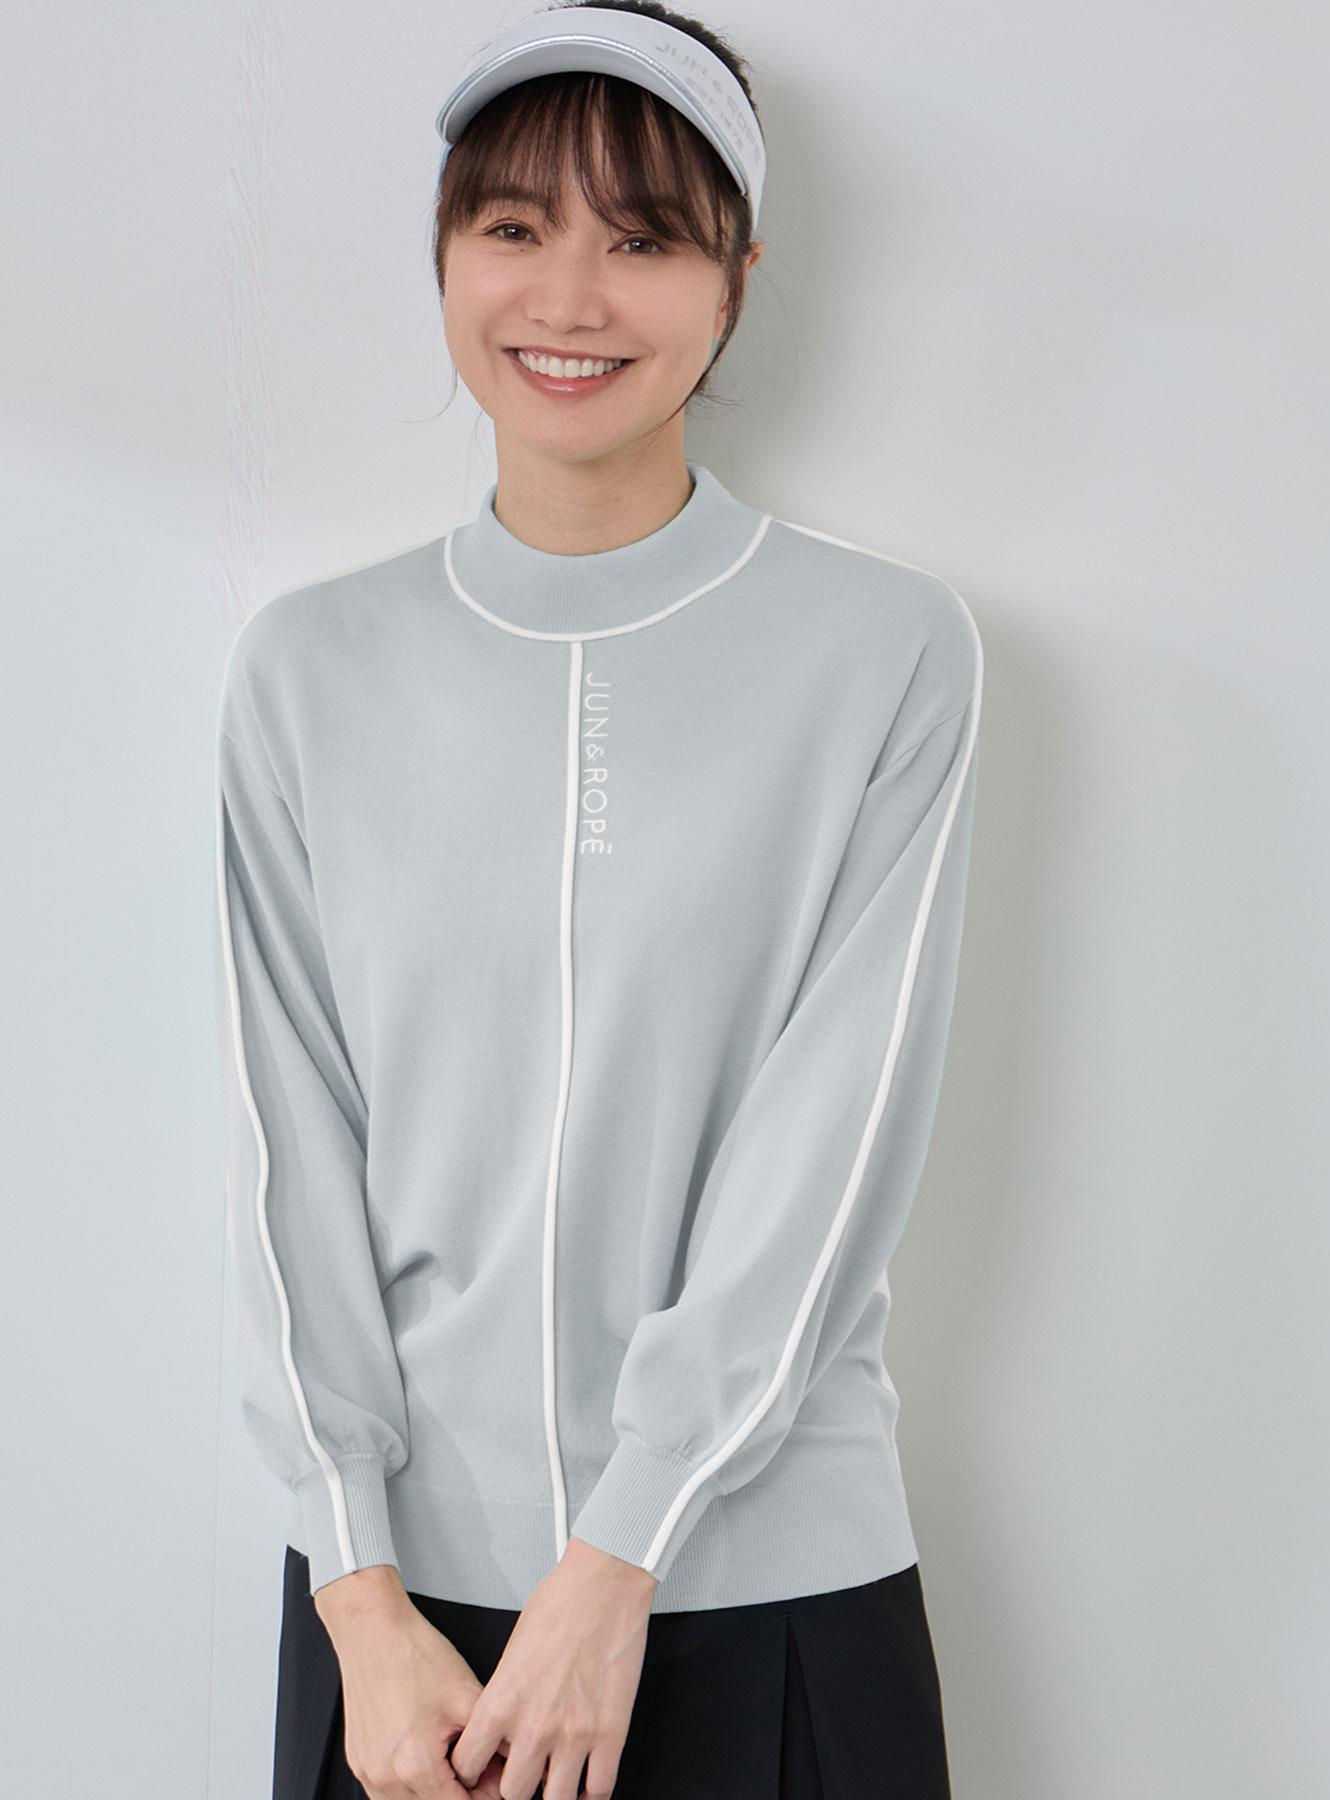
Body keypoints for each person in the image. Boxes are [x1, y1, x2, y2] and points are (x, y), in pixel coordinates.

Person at [213, 4, 982, 1795]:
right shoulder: (309, 668)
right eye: (514, 226)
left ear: (735, 284)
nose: (570, 297)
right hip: (396, 1632)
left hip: (760, 1592)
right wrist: (356, 1582)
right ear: (445, 254)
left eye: (643, 239)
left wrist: (615, 1560)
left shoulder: (882, 652)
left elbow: (834, 1145)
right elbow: (281, 1148)